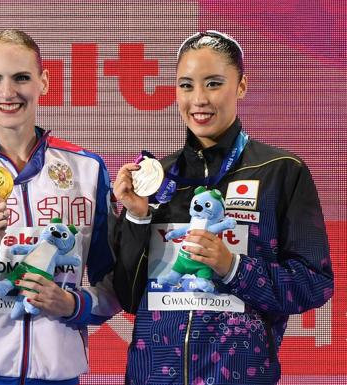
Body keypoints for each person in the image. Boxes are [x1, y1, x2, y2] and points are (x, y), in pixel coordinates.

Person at [111, 30, 334, 385]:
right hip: (151, 377)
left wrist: (234, 268)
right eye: (186, 86)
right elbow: (127, 296)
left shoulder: (281, 171)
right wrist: (137, 216)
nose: (198, 99)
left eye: (213, 83)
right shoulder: (157, 178)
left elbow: (314, 284)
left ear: (241, 87)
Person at [0, 29, 120, 385]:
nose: (7, 93)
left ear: (43, 82)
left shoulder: (87, 171)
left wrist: (73, 305)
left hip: (55, 375)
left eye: (21, 78)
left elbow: (115, 284)